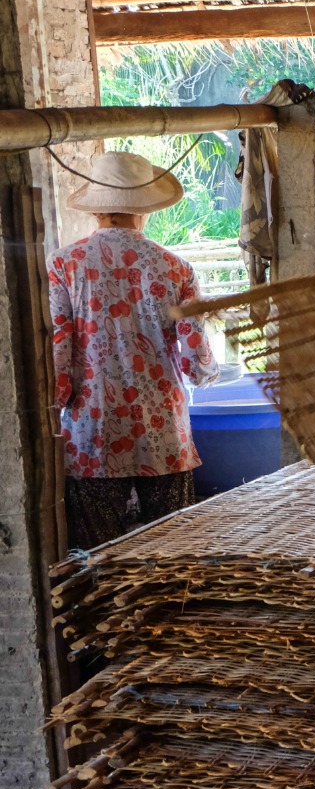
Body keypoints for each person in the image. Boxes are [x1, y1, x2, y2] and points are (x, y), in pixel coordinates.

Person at [49, 151, 219, 549]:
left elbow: (59, 348)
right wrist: (205, 375)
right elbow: (196, 357)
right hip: (163, 429)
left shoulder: (63, 265)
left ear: (96, 210)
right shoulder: (176, 268)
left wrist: (59, 401)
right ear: (144, 209)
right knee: (172, 544)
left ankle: (103, 590)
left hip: (94, 430)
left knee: (97, 552)